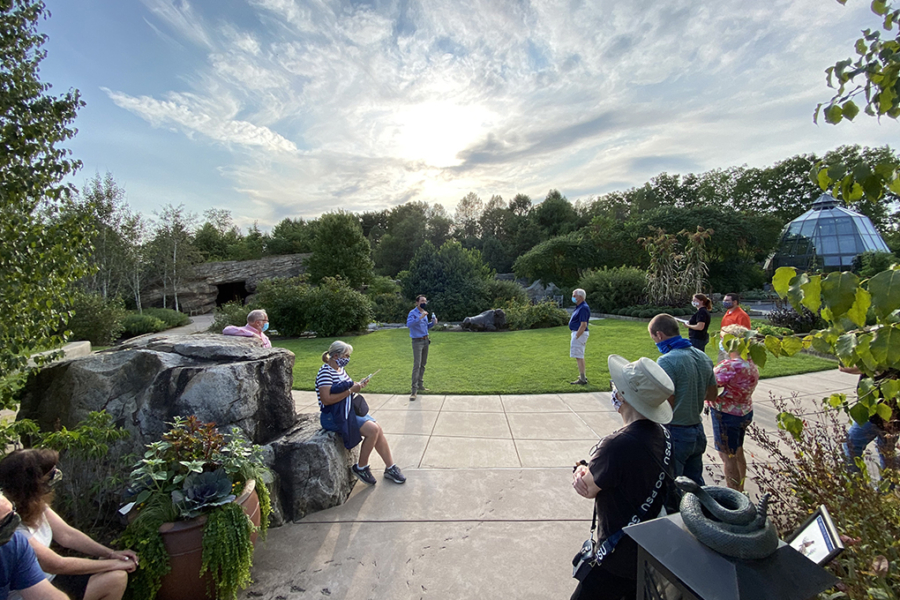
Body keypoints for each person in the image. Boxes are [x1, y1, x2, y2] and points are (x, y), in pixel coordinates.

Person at [570, 355, 674, 600]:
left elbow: (587, 487)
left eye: (617, 387)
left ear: (626, 396)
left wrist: (579, 467)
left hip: (615, 558)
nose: (613, 391)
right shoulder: (662, 434)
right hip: (646, 550)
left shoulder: (618, 445)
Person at [0, 450, 137, 600]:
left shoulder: (34, 505)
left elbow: (67, 535)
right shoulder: (11, 527)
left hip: (49, 580)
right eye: (51, 476)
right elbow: (55, 564)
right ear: (34, 485)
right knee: (115, 577)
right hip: (29, 591)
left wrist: (110, 554)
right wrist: (114, 564)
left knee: (116, 577)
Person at [648, 313, 717, 511]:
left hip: (676, 432)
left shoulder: (667, 361)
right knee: (696, 487)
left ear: (659, 335)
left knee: (672, 490)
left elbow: (666, 403)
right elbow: (712, 394)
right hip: (697, 431)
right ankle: (704, 523)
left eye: (653, 338)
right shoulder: (703, 357)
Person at [316, 340, 406, 485]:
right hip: (332, 417)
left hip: (346, 410)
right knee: (372, 430)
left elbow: (344, 388)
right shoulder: (325, 373)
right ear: (335, 356)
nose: (347, 358)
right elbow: (326, 400)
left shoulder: (339, 369)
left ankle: (390, 467)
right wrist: (351, 390)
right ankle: (361, 467)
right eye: (345, 355)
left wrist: (358, 385)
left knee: (378, 429)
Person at [708, 325, 759, 491]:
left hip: (726, 415)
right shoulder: (750, 363)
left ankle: (733, 494)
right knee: (737, 451)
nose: (721, 342)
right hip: (744, 412)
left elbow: (709, 386)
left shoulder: (729, 366)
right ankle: (741, 489)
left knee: (728, 457)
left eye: (724, 339)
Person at [0, 491, 67, 600]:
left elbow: (44, 593)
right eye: (5, 523)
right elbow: (55, 563)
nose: (12, 528)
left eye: (12, 516)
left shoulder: (15, 544)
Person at [840, 366, 900, 474]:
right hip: (889, 409)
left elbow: (844, 367)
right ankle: (888, 487)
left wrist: (873, 367)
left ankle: (856, 486)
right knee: (886, 449)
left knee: (851, 445)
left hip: (878, 409)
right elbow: (843, 367)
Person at [406, 296, 437, 401]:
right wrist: (419, 317)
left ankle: (420, 385)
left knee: (423, 364)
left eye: (425, 301)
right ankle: (413, 391)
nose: (424, 302)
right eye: (422, 301)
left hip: (425, 340)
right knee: (417, 365)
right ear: (417, 302)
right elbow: (409, 324)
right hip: (417, 342)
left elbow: (425, 327)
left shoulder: (424, 312)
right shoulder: (413, 313)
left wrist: (433, 323)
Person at [718, 293, 751, 362]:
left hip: (732, 346)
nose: (724, 302)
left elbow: (743, 333)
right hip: (724, 343)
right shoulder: (728, 312)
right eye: (724, 300)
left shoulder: (742, 315)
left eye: (727, 300)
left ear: (735, 302)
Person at [568, 289, 591, 385]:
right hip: (577, 333)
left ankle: (582, 378)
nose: (573, 297)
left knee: (579, 355)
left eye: (574, 295)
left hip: (580, 334)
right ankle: (582, 376)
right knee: (578, 356)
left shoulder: (583, 308)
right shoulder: (579, 307)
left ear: (580, 297)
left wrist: (577, 336)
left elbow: (583, 325)